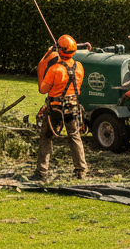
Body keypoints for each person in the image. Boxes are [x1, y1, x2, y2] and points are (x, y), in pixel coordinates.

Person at [32, 34, 87, 182]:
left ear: (60, 50)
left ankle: (41, 172)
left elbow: (43, 89)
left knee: (46, 137)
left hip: (56, 109)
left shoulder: (55, 69)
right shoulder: (79, 67)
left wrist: (47, 56)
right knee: (75, 137)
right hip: (73, 107)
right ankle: (81, 171)